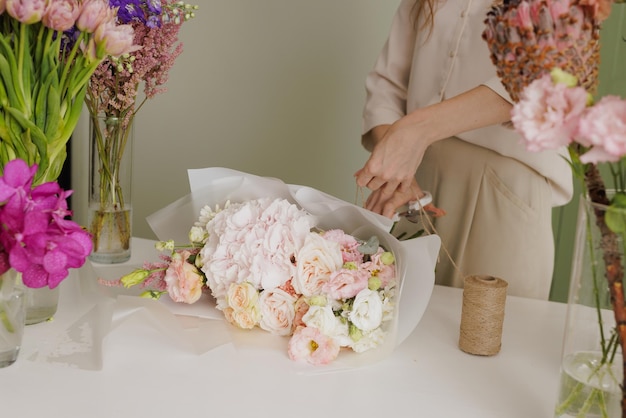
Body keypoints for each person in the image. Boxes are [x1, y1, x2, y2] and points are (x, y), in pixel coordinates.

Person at [354, 0, 573, 300]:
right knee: (400, 330)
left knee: (491, 333)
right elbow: (388, 84)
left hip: (504, 193)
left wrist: (417, 130)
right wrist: (395, 164)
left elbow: (543, 75)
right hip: (415, 185)